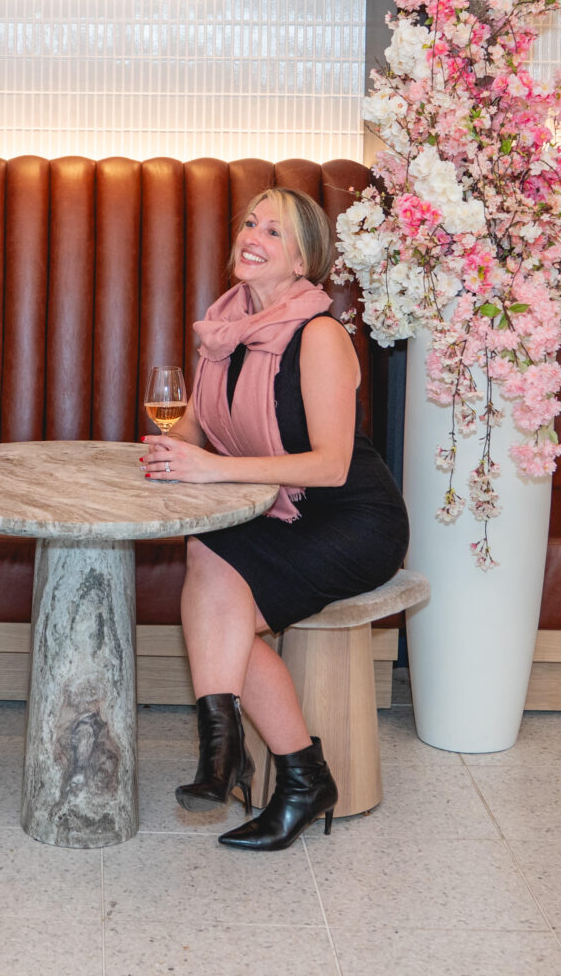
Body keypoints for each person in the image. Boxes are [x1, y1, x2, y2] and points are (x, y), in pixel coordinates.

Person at [140, 186, 409, 851]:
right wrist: (174, 455)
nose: (252, 236)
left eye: (276, 232)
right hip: (275, 512)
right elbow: (198, 433)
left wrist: (211, 471)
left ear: (302, 262)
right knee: (206, 552)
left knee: (220, 600)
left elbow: (331, 465)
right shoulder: (224, 330)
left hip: (350, 519)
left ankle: (249, 764)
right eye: (250, 223)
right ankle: (284, 773)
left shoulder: (318, 336)